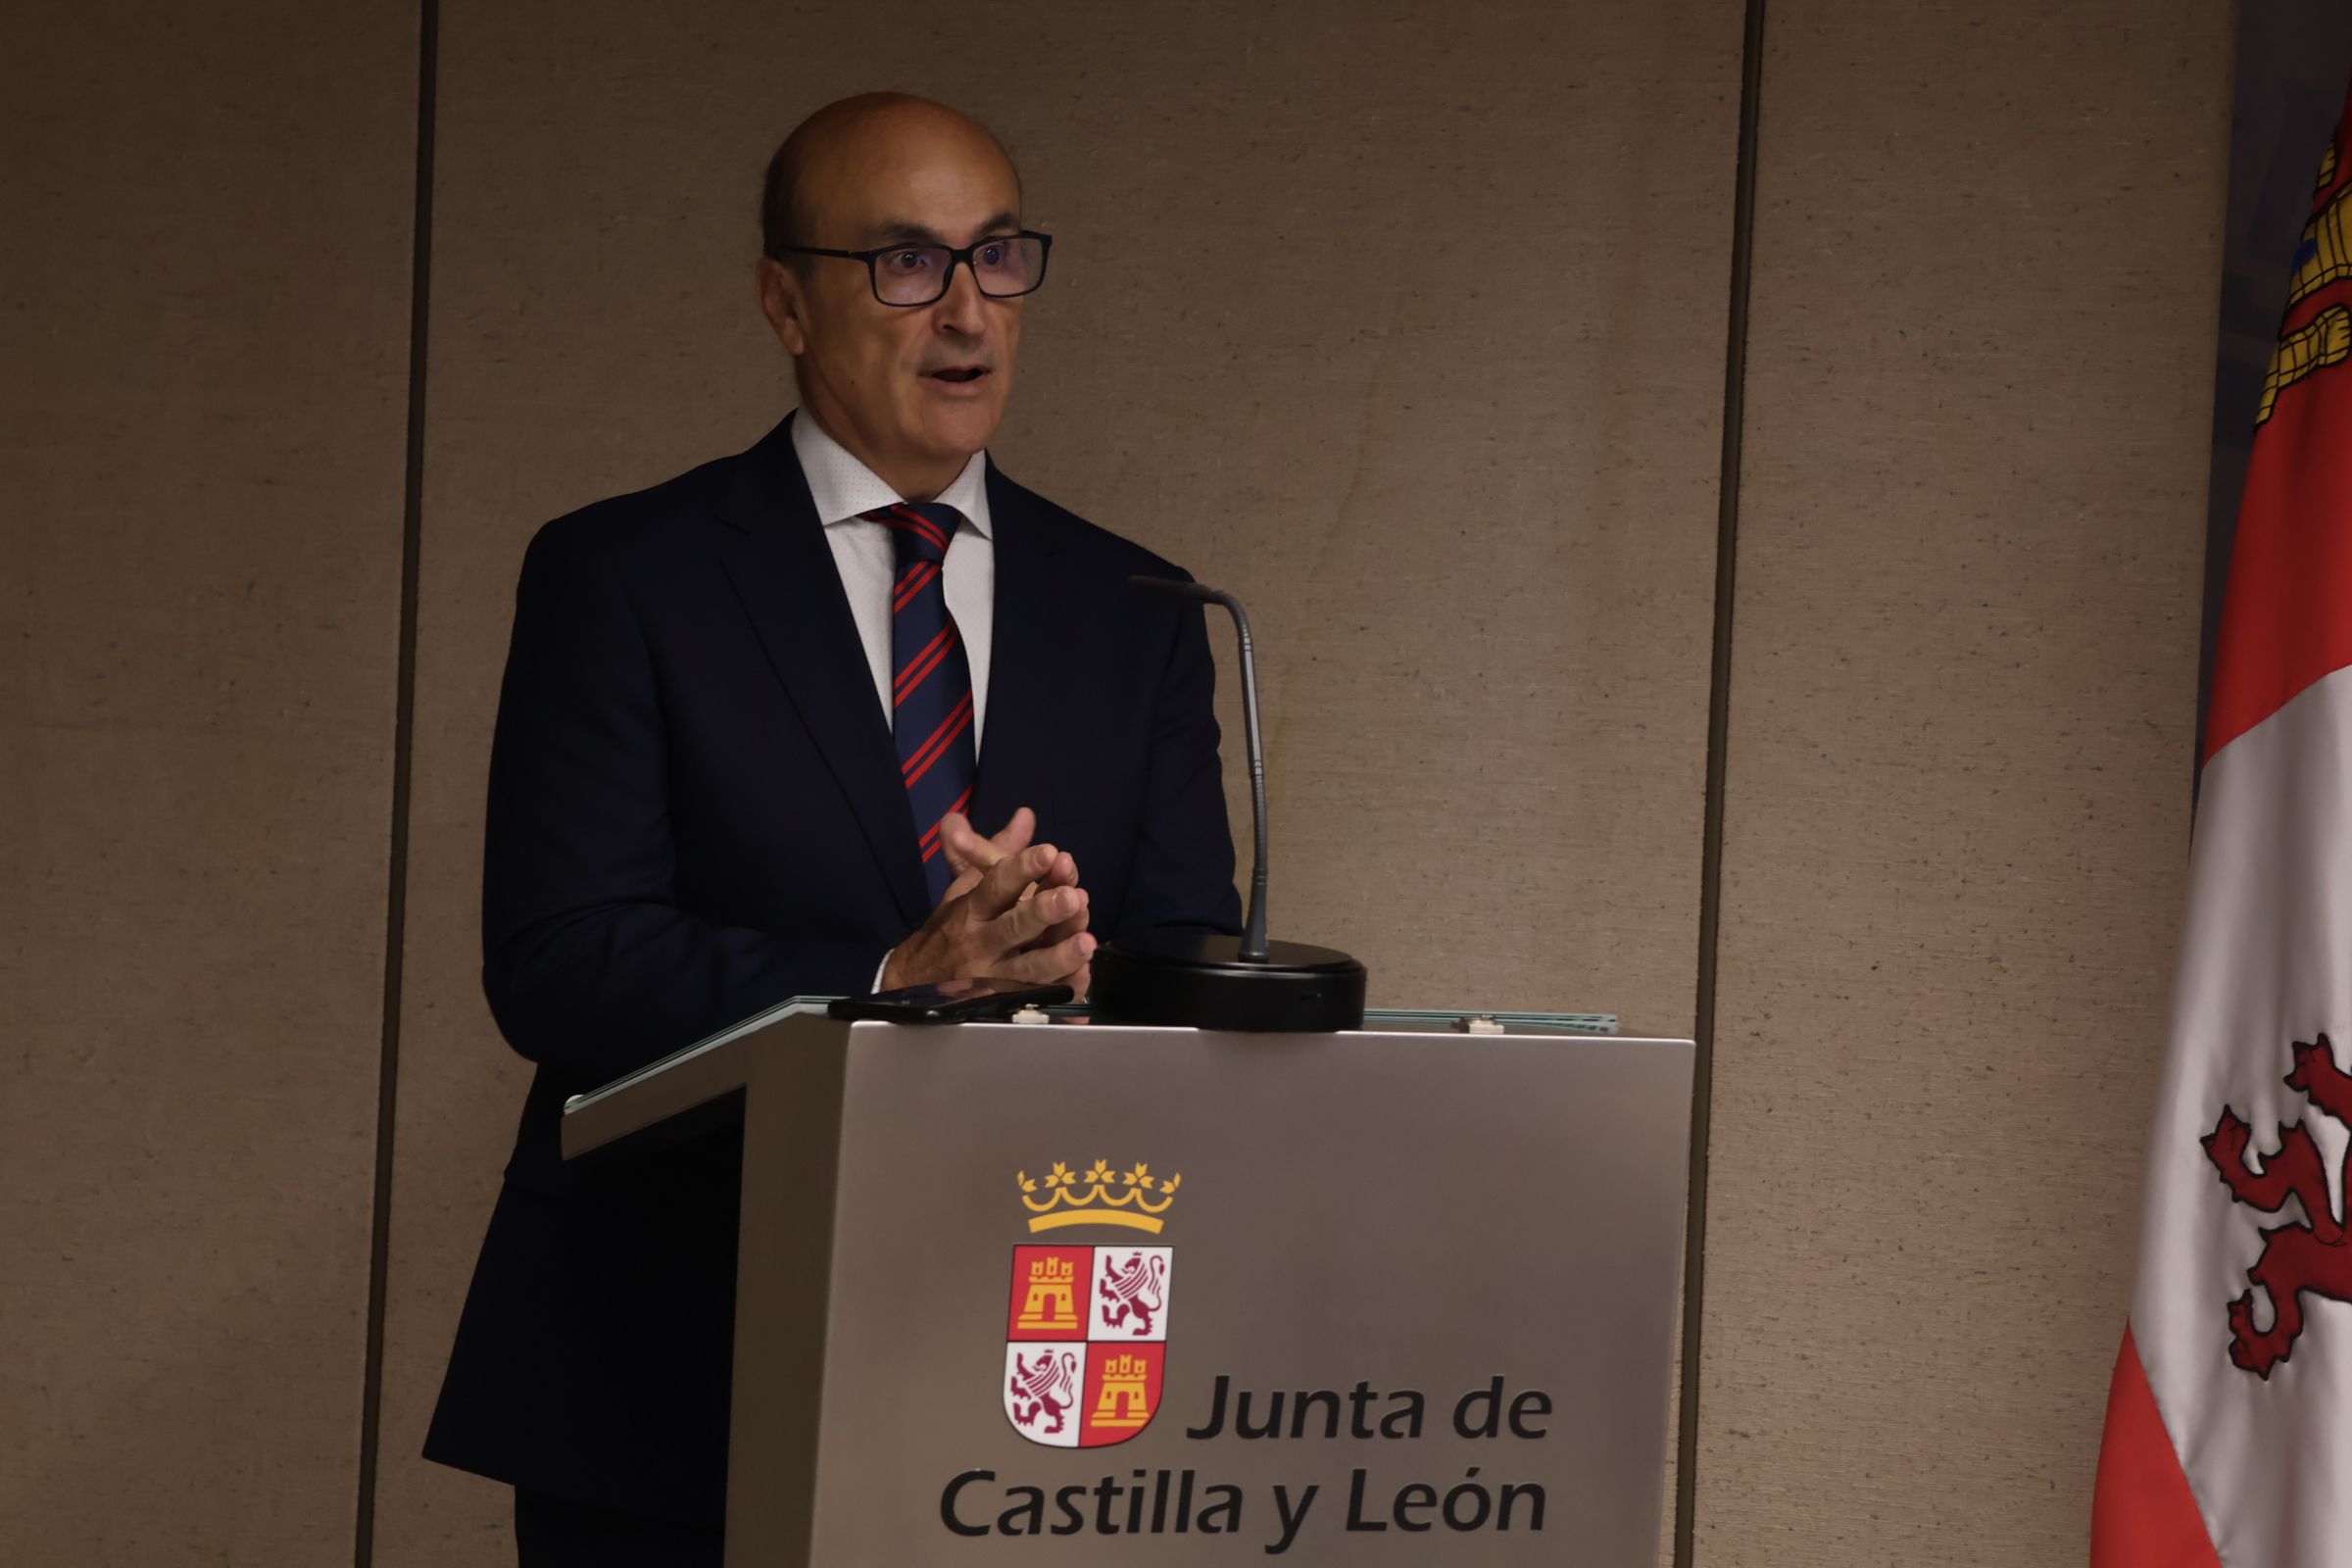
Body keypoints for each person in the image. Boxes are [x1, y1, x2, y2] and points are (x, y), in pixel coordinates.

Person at [422, 94, 1242, 1563]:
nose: (967, 309)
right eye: (906, 263)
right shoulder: (628, 574)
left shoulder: (1142, 611)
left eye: (997, 257)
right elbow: (560, 958)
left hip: (1027, 1362)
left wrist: (1063, 956)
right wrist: (891, 974)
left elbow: (1185, 956)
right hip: (681, 1358)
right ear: (783, 303)